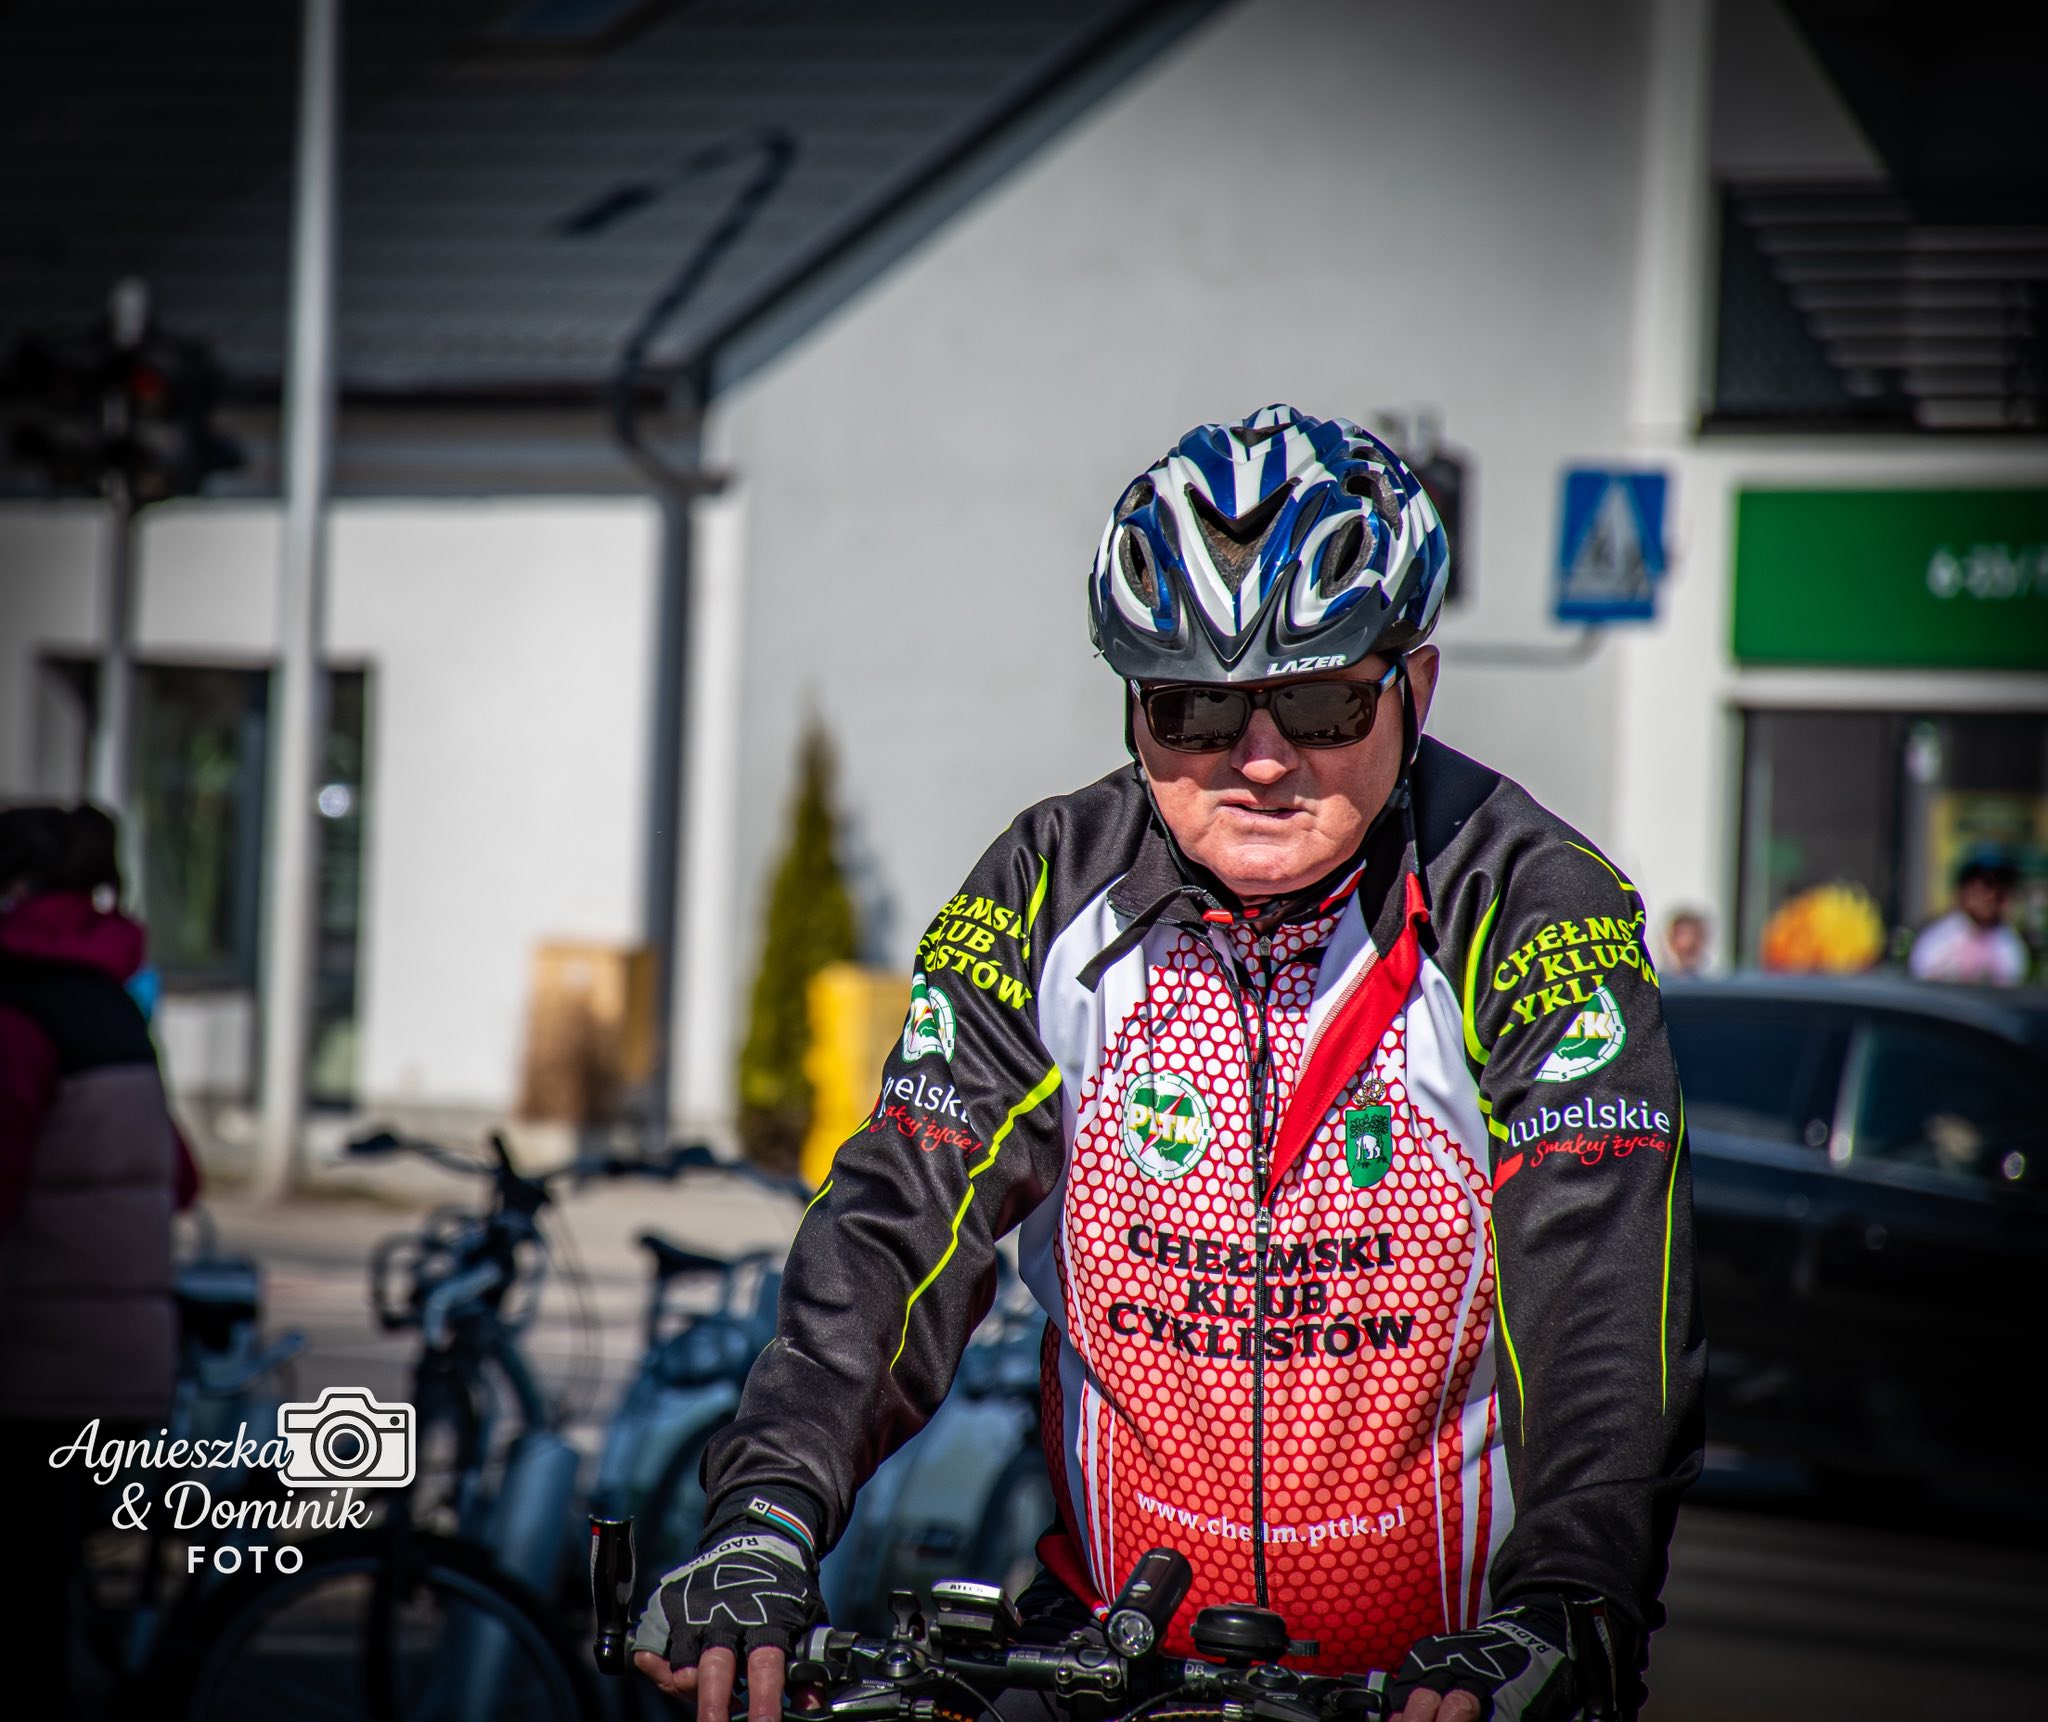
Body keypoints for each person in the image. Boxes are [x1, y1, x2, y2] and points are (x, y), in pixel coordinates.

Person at [633, 406, 1704, 1722]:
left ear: (1414, 689)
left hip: (1433, 1683)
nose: (1258, 761)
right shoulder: (1047, 887)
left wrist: (1570, 1600)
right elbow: (900, 1211)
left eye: (1319, 700)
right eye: (1192, 708)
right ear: (1134, 709)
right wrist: (766, 1513)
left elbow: (1603, 1283)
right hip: (1108, 1652)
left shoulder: (1527, 904)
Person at [0, 802, 195, 1705]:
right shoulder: (110, 1005)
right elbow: (180, 1176)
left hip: (31, 1366)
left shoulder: (20, 1013)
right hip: (116, 1369)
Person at [1908, 856, 2028, 986]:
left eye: (2000, 889)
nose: (1991, 896)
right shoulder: (1939, 936)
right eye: (1986, 884)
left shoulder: (2008, 943)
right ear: (1965, 891)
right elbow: (1922, 977)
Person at [1658, 908, 1710, 978]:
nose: (1688, 941)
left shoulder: (1714, 978)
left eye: (1693, 934)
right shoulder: (1657, 979)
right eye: (1681, 934)